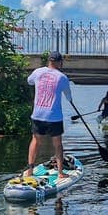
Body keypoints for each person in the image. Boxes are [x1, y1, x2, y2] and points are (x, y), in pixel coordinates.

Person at [26, 50, 72, 178]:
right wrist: (70, 99)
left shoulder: (38, 72)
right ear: (59, 62)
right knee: (57, 144)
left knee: (35, 141)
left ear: (49, 61)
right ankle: (61, 173)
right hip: (54, 116)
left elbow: (29, 81)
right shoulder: (62, 77)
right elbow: (68, 97)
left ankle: (30, 169)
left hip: (37, 114)